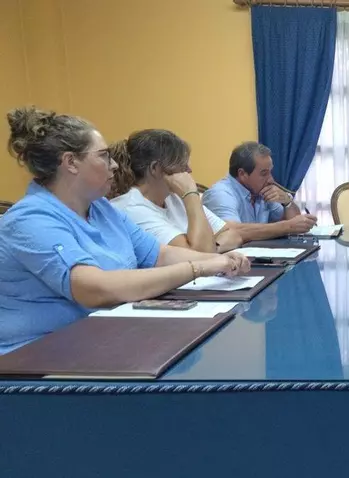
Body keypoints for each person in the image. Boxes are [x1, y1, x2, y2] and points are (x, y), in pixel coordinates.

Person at [0, 106, 251, 354]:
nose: (115, 165)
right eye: (103, 156)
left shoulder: (101, 208)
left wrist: (217, 260)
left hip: (104, 339)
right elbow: (95, 289)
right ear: (71, 162)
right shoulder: (30, 219)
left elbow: (159, 254)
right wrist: (198, 268)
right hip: (37, 356)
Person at [109, 129, 242, 253]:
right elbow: (198, 255)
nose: (189, 170)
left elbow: (232, 234)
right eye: (182, 164)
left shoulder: (174, 196)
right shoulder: (131, 208)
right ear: (155, 168)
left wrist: (213, 247)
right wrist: (191, 195)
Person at [203, 141, 317, 242]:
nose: (271, 180)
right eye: (264, 173)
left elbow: (295, 226)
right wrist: (287, 226)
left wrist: (287, 202)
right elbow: (231, 232)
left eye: (270, 172)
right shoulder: (220, 194)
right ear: (242, 174)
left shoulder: (261, 191)